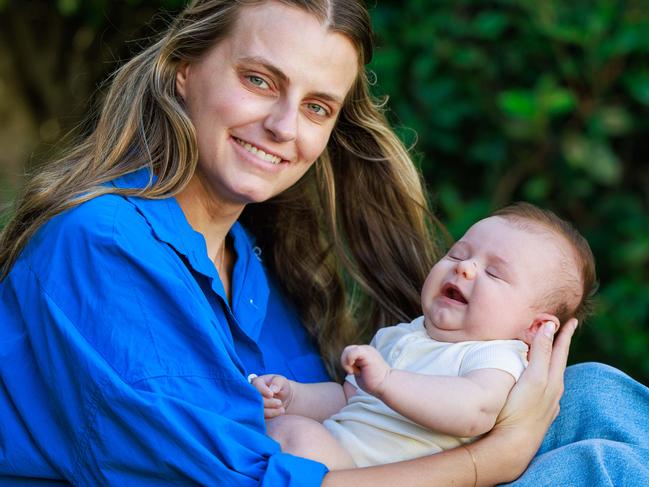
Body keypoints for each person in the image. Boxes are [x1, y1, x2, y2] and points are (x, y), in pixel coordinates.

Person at [0, 0, 647, 485]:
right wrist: (485, 461)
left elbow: (347, 418)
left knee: (595, 394)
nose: (284, 126)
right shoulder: (102, 245)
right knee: (594, 464)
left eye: (316, 107)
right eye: (258, 79)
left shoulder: (260, 263)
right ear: (181, 71)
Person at [251, 202, 597, 469]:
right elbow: (346, 399)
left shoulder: (496, 357)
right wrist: (292, 396)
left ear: (536, 328)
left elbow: (474, 409)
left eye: (494, 273)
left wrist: (388, 381)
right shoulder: (402, 336)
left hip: (384, 473)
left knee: (295, 438)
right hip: (342, 457)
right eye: (457, 253)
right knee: (288, 427)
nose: (465, 267)